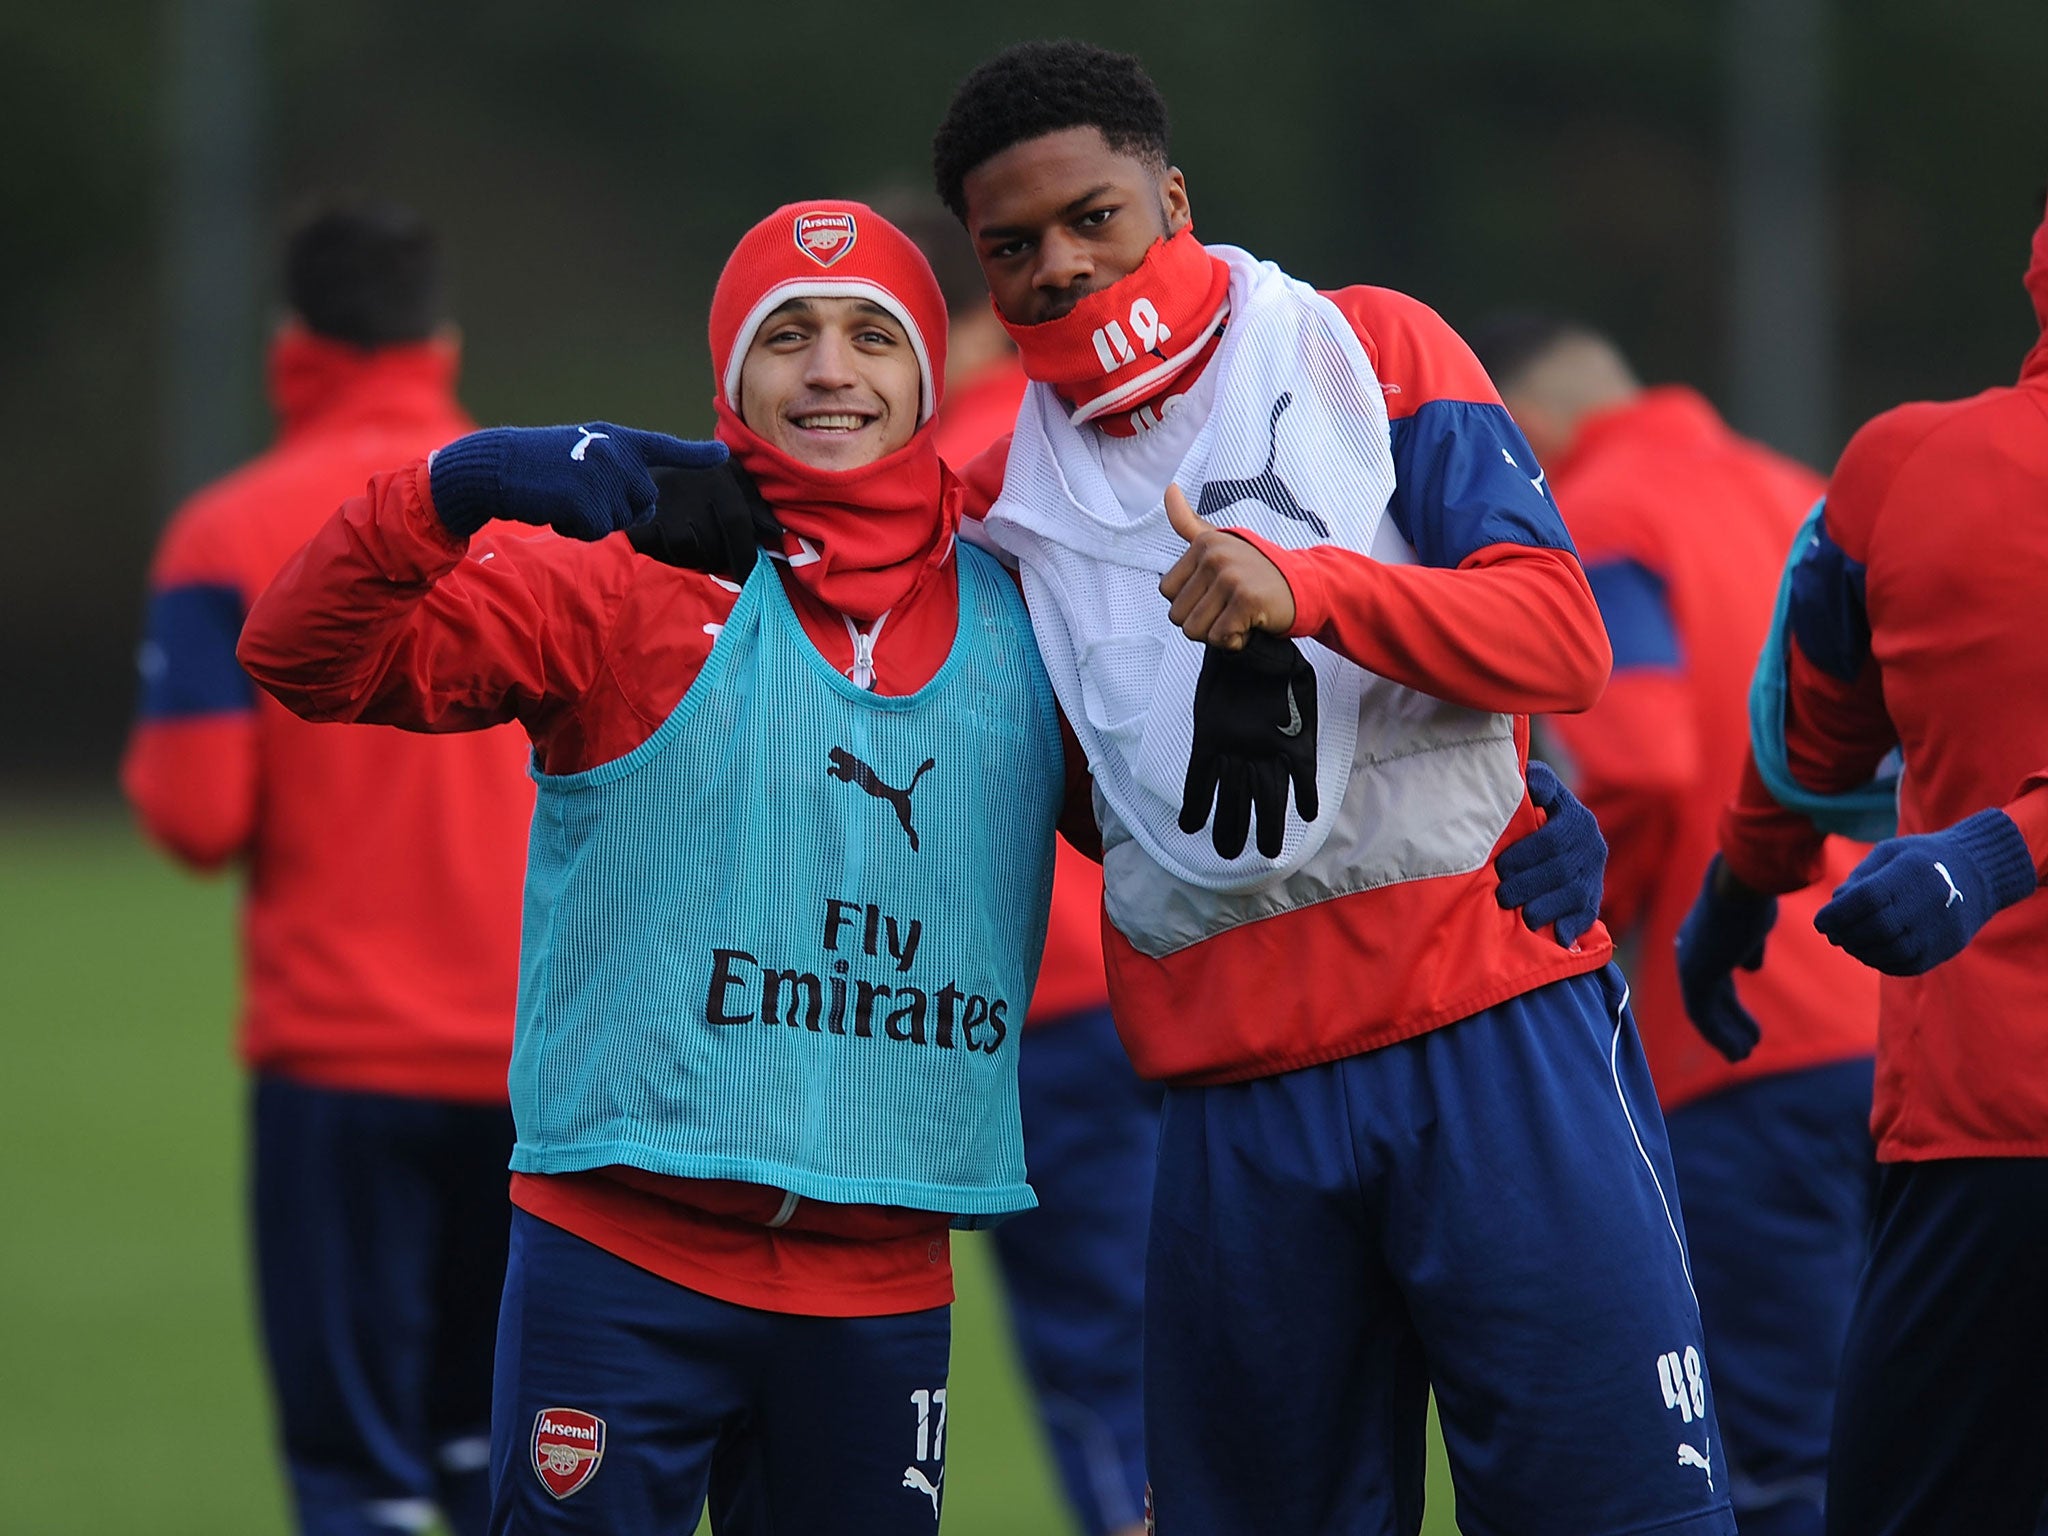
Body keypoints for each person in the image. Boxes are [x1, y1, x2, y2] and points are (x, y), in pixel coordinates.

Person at [933, 41, 1735, 1536]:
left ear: (1170, 198)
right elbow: (1089, 798)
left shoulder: (1366, 345)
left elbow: (1557, 638)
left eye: (1092, 217)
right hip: (1234, 1102)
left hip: (1489, 1037)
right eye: (1013, 246)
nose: (1058, 266)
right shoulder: (1002, 511)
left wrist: (1306, 597)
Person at [120, 199, 529, 1536]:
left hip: (341, 1065)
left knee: (362, 1480)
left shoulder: (226, 533)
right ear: (443, 339)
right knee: (503, 1460)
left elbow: (194, 818)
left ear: (290, 346)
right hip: (542, 1065)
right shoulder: (536, 513)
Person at [1677, 194, 2048, 1536]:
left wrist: (1738, 890)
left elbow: (1811, 749)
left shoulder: (1900, 467)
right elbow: (1818, 745)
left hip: (1986, 1130)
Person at [1474, 316, 1880, 1536]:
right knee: (1935, 1436)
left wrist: (1564, 941)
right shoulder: (1799, 491)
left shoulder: (1593, 517)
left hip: (1740, 1036)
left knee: (1783, 1456)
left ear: (1513, 429)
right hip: (1903, 1010)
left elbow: (1639, 763)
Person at [896, 196, 1155, 1536]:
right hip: (1189, 952)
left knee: (1100, 1363)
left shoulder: (930, 480)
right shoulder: (1111, 420)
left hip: (1025, 992)